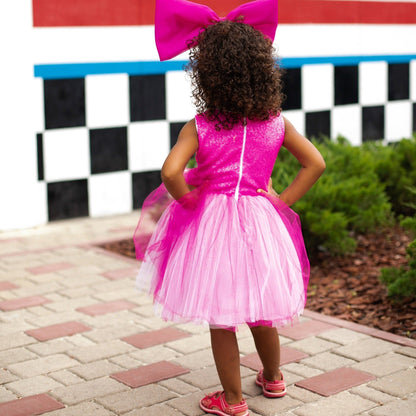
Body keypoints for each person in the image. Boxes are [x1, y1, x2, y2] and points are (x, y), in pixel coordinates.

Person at [133, 1, 326, 415]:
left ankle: (233, 400)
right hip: (260, 219)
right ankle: (273, 379)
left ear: (208, 77)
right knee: (261, 305)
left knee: (222, 314)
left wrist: (187, 200)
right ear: (261, 71)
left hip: (212, 223)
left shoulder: (199, 126)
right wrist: (280, 201)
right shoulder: (276, 122)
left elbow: (170, 172)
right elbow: (316, 163)